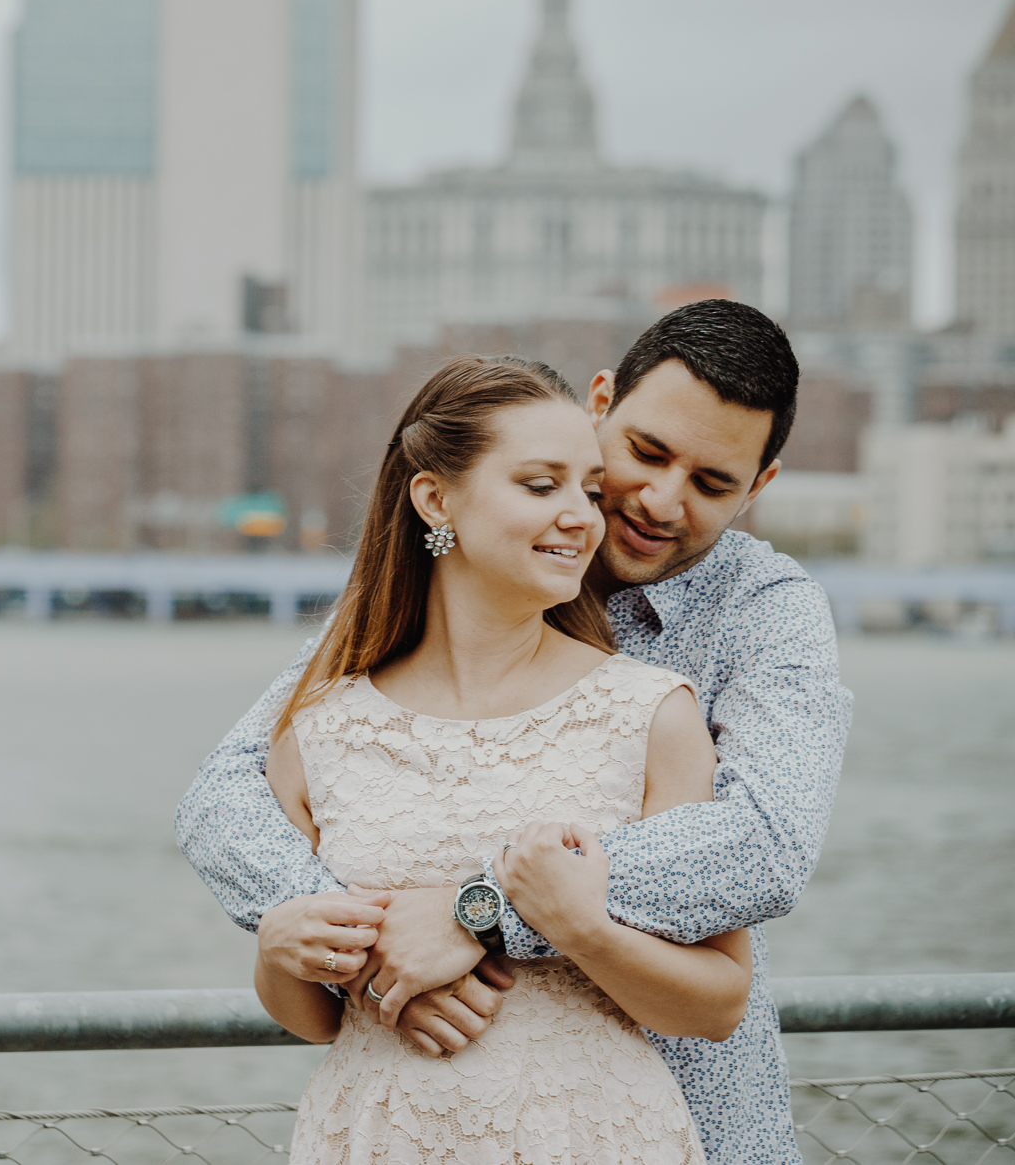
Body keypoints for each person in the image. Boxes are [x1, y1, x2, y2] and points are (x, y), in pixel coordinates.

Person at [177, 301, 851, 1165]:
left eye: (713, 483)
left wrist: (484, 908)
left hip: (683, 1120)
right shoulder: (428, 593)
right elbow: (225, 791)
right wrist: (369, 957)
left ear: (760, 487)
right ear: (600, 401)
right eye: (645, 452)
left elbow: (764, 845)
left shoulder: (765, 614)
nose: (657, 498)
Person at [257, 353, 746, 1163]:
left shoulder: (650, 712)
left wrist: (577, 926)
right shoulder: (318, 728)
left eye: (589, 490)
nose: (582, 517)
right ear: (434, 497)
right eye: (540, 484)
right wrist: (278, 950)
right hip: (379, 1136)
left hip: (591, 1137)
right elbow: (313, 1017)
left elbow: (718, 1001)